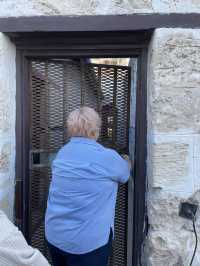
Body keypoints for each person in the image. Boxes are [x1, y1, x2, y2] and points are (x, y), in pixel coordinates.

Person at [45, 106, 130, 266]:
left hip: (55, 235)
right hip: (87, 244)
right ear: (95, 130)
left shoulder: (62, 153)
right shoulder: (107, 157)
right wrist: (125, 159)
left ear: (70, 129)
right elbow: (124, 175)